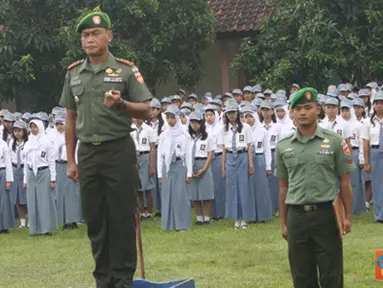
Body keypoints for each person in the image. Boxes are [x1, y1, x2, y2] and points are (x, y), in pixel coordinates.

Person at [59, 9, 152, 288]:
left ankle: (122, 279)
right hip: (88, 154)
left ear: (109, 36)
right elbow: (70, 118)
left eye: (96, 33)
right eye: (85, 35)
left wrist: (122, 105)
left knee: (121, 218)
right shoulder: (74, 73)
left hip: (118, 151)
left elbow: (147, 109)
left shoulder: (125, 70)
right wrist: (71, 161)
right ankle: (103, 279)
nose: (90, 39)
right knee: (96, 220)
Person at [275, 88, 354, 288]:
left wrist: (347, 217)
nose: (303, 113)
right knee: (302, 276)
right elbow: (283, 186)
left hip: (326, 214)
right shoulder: (284, 146)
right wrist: (284, 223)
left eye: (308, 107)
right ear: (291, 113)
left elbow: (344, 181)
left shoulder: (335, 142)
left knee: (331, 275)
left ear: (318, 110)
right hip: (297, 216)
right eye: (298, 108)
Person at [220, 100, 255, 229]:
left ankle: (244, 219)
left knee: (243, 187)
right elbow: (224, 149)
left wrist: (251, 164)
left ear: (238, 112)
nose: (232, 116)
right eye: (229, 113)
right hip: (230, 156)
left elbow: (249, 146)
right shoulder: (224, 129)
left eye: (233, 112)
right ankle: (235, 218)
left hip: (242, 156)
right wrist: (223, 167)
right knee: (232, 187)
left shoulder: (245, 127)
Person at [157, 105, 192, 231]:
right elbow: (160, 155)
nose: (170, 120)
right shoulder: (164, 134)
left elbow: (188, 154)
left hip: (180, 165)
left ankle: (182, 224)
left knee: (181, 195)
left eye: (172, 118)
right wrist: (160, 174)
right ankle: (169, 224)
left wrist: (189, 172)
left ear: (177, 118)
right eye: (168, 118)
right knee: (168, 195)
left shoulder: (184, 134)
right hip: (167, 167)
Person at [23, 119, 57, 236]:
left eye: (35, 127)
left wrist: (53, 178)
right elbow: (25, 163)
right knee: (32, 201)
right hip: (31, 174)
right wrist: (25, 179)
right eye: (31, 127)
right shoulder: (28, 144)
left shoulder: (46, 143)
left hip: (43, 172)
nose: (33, 129)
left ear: (40, 128)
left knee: (44, 201)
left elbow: (51, 161)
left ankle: (46, 229)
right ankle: (34, 229)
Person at [53, 111, 82, 229]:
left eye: (61, 123)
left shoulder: (72, 135)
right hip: (58, 165)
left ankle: (72, 219)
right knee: (60, 193)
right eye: (57, 124)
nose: (60, 126)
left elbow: (76, 151)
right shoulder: (52, 136)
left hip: (69, 164)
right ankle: (63, 219)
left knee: (71, 193)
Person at [244, 109, 273, 223]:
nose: (248, 119)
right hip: (247, 158)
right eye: (246, 117)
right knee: (249, 187)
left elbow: (267, 149)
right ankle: (250, 215)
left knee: (261, 187)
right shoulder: (243, 130)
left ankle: (262, 215)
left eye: (250, 116)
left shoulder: (262, 130)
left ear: (255, 117)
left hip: (259, 157)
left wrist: (268, 166)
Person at [188, 111, 215, 225]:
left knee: (207, 193)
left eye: (197, 122)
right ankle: (199, 218)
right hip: (192, 164)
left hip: (204, 163)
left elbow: (210, 153)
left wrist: (204, 168)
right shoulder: (187, 137)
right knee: (195, 194)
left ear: (201, 123)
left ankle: (207, 218)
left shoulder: (208, 136)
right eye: (192, 122)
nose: (194, 125)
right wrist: (189, 169)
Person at [361, 92, 383, 223]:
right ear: (373, 105)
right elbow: (365, 143)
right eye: (377, 103)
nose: (379, 106)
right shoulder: (368, 122)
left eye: (382, 103)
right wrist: (366, 162)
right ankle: (379, 215)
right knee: (377, 184)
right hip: (375, 152)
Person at [131, 117, 156, 220]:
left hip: (145, 156)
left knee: (147, 187)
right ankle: (142, 212)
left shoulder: (149, 129)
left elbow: (152, 148)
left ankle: (149, 212)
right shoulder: (131, 129)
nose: (138, 119)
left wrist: (151, 165)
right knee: (138, 188)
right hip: (135, 157)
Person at [205, 105, 225, 220]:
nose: (209, 118)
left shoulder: (221, 128)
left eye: (211, 115)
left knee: (218, 186)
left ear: (215, 116)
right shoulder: (204, 129)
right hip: (206, 159)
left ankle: (220, 213)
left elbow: (222, 145)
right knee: (208, 186)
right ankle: (210, 213)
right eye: (207, 115)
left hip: (217, 157)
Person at [9, 120, 28, 228]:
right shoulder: (11, 142)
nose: (17, 133)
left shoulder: (28, 143)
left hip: (25, 169)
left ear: (24, 131)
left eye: (19, 130)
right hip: (15, 169)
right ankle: (22, 222)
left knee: (27, 196)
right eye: (15, 130)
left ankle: (31, 219)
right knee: (18, 197)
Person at [0, 127, 14, 234]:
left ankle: (4, 226)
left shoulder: (3, 144)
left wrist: (9, 180)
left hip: (2, 172)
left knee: (4, 200)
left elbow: (8, 163)